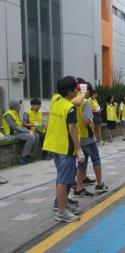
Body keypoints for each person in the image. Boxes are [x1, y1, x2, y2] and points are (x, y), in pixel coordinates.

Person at [43, 76, 83, 222]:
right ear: (69, 91)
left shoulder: (55, 100)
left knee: (61, 177)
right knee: (64, 180)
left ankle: (62, 204)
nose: (76, 91)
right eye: (75, 89)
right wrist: (79, 150)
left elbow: (75, 100)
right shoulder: (70, 108)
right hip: (65, 148)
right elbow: (72, 129)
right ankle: (62, 212)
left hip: (53, 146)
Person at [73, 82, 109, 198]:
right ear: (86, 91)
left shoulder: (73, 100)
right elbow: (87, 120)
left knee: (82, 163)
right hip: (88, 137)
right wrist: (93, 124)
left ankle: (78, 187)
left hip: (78, 137)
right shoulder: (86, 102)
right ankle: (99, 185)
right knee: (96, 160)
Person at [3, 100, 40, 165]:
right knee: (31, 137)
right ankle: (23, 157)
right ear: (15, 106)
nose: (20, 107)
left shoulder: (15, 113)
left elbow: (19, 125)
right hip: (11, 135)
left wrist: (29, 131)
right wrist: (27, 131)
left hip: (18, 133)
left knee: (36, 135)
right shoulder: (8, 115)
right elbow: (14, 127)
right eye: (19, 105)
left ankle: (29, 155)